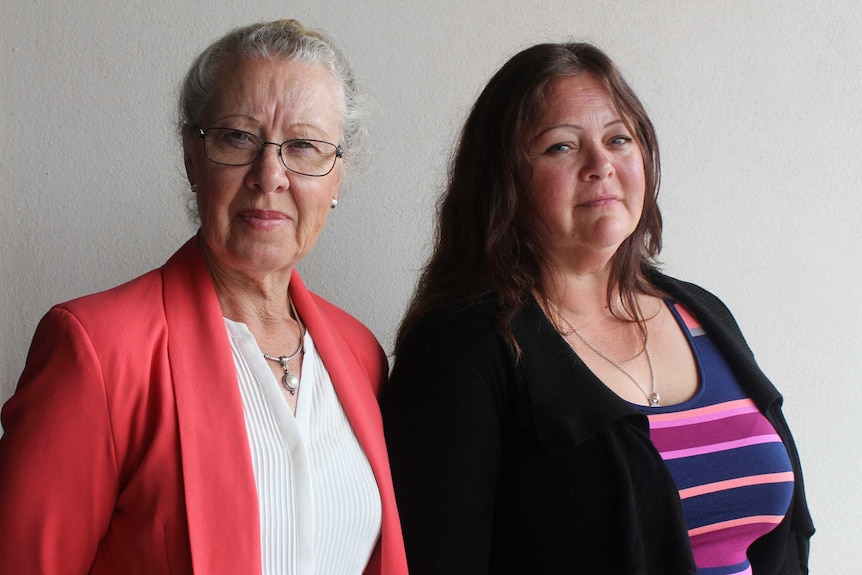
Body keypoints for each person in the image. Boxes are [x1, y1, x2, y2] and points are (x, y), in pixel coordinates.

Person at [380, 42, 813, 574]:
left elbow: (784, 545)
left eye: (618, 139)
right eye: (560, 147)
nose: (600, 165)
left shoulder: (704, 316)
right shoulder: (461, 347)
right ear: (503, 180)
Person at [0, 20, 408, 575]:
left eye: (305, 146)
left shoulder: (359, 354)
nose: (270, 175)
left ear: (337, 177)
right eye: (238, 137)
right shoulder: (97, 351)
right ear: (193, 158)